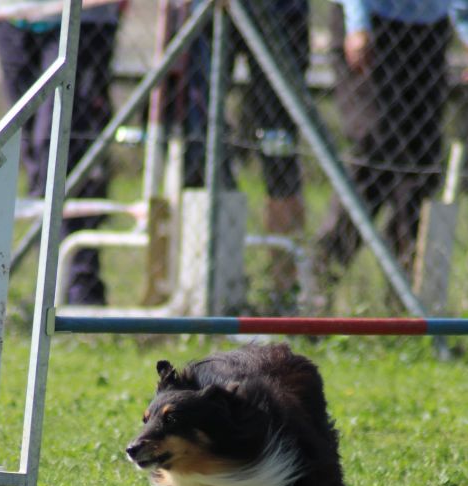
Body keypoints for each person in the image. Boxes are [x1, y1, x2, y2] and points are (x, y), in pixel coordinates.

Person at [314, 0, 468, 293]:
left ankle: (408, 296)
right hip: (370, 22)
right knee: (375, 146)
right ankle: (320, 279)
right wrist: (358, 24)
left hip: (427, 29)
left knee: (422, 160)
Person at [182, 0, 311, 311]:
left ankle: (285, 291)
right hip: (210, 12)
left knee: (279, 151)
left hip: (281, 13)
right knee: (202, 147)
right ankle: (208, 289)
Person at [0, 1, 122, 306]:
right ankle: (50, 283)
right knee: (36, 159)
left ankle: (81, 285)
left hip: (81, 16)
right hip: (13, 18)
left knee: (61, 151)